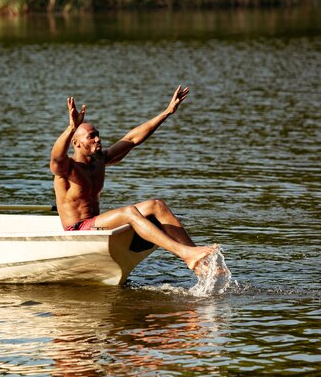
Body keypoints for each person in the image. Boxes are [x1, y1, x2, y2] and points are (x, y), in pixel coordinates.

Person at [50, 85, 218, 276]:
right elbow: (56, 157)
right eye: (91, 136)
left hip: (95, 224)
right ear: (76, 142)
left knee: (157, 205)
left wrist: (167, 112)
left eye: (97, 134)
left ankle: (199, 263)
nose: (98, 139)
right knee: (129, 212)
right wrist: (71, 127)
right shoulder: (66, 168)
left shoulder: (100, 161)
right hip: (77, 231)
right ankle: (185, 253)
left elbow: (132, 139)